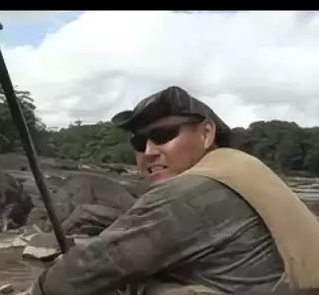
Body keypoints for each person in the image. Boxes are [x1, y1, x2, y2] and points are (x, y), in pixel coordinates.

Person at [17, 85, 319, 295]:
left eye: (163, 135)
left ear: (206, 133)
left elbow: (101, 260)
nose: (148, 150)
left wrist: (38, 289)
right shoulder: (243, 169)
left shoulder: (193, 190)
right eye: (139, 143)